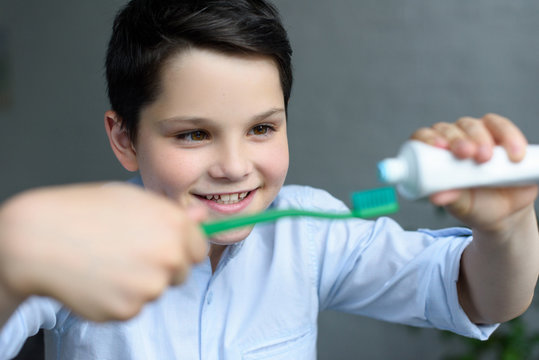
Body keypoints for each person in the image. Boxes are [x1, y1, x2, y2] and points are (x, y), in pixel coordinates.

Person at [1, 0, 538, 358]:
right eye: (193, 135)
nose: (235, 166)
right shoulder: (80, 241)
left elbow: (481, 297)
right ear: (124, 139)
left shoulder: (315, 231)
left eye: (261, 128)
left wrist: (507, 226)